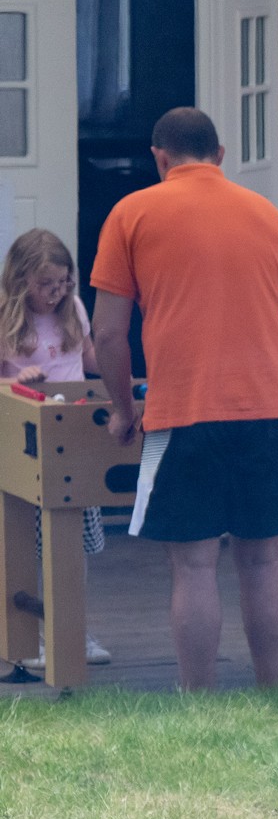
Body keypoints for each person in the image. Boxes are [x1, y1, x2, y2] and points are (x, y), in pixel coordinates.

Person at [90, 107, 278, 690]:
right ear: (221, 155)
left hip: (183, 413)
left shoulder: (132, 212)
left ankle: (200, 701)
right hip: (267, 412)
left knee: (193, 565)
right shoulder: (268, 215)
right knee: (263, 562)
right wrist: (251, 363)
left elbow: (107, 333)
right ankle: (274, 695)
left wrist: (124, 410)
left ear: (159, 158)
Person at [0, 228, 111, 666]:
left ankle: (72, 630)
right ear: (21, 278)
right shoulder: (5, 317)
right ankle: (33, 637)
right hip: (27, 442)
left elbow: (90, 359)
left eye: (64, 282)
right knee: (29, 545)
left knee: (72, 544)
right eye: (46, 284)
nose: (57, 292)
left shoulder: (74, 308)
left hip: (74, 435)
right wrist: (16, 380)